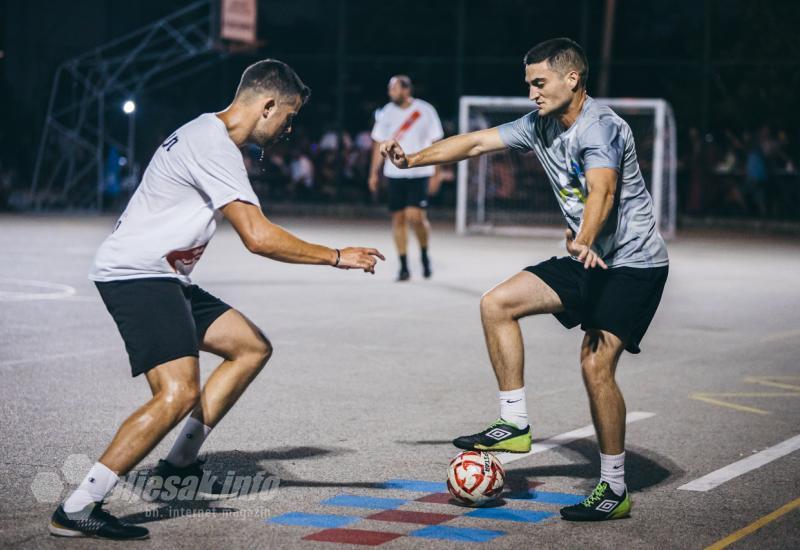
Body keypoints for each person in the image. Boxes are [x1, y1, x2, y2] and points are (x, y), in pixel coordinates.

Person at [49, 59, 384, 540]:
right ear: (267, 105)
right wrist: (336, 255)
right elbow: (258, 236)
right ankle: (79, 505)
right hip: (136, 274)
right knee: (177, 393)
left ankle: (178, 464)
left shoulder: (208, 133)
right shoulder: (214, 146)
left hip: (165, 274)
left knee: (249, 346)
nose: (288, 129)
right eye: (288, 117)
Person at [381, 38, 668, 522]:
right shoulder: (538, 125)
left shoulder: (600, 129)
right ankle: (513, 422)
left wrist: (586, 237)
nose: (532, 93)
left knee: (595, 367)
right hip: (586, 256)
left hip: (633, 265)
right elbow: (473, 143)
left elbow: (604, 189)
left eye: (540, 83)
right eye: (529, 84)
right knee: (497, 303)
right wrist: (412, 160)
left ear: (572, 78)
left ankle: (614, 488)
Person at [369, 75, 443, 281]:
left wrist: (438, 173)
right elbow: (378, 144)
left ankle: (425, 255)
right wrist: (373, 173)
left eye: (394, 88)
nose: (390, 92)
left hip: (420, 172)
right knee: (399, 218)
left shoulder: (426, 111)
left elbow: (437, 143)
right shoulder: (386, 113)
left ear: (406, 90)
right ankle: (403, 266)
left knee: (416, 217)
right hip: (394, 173)